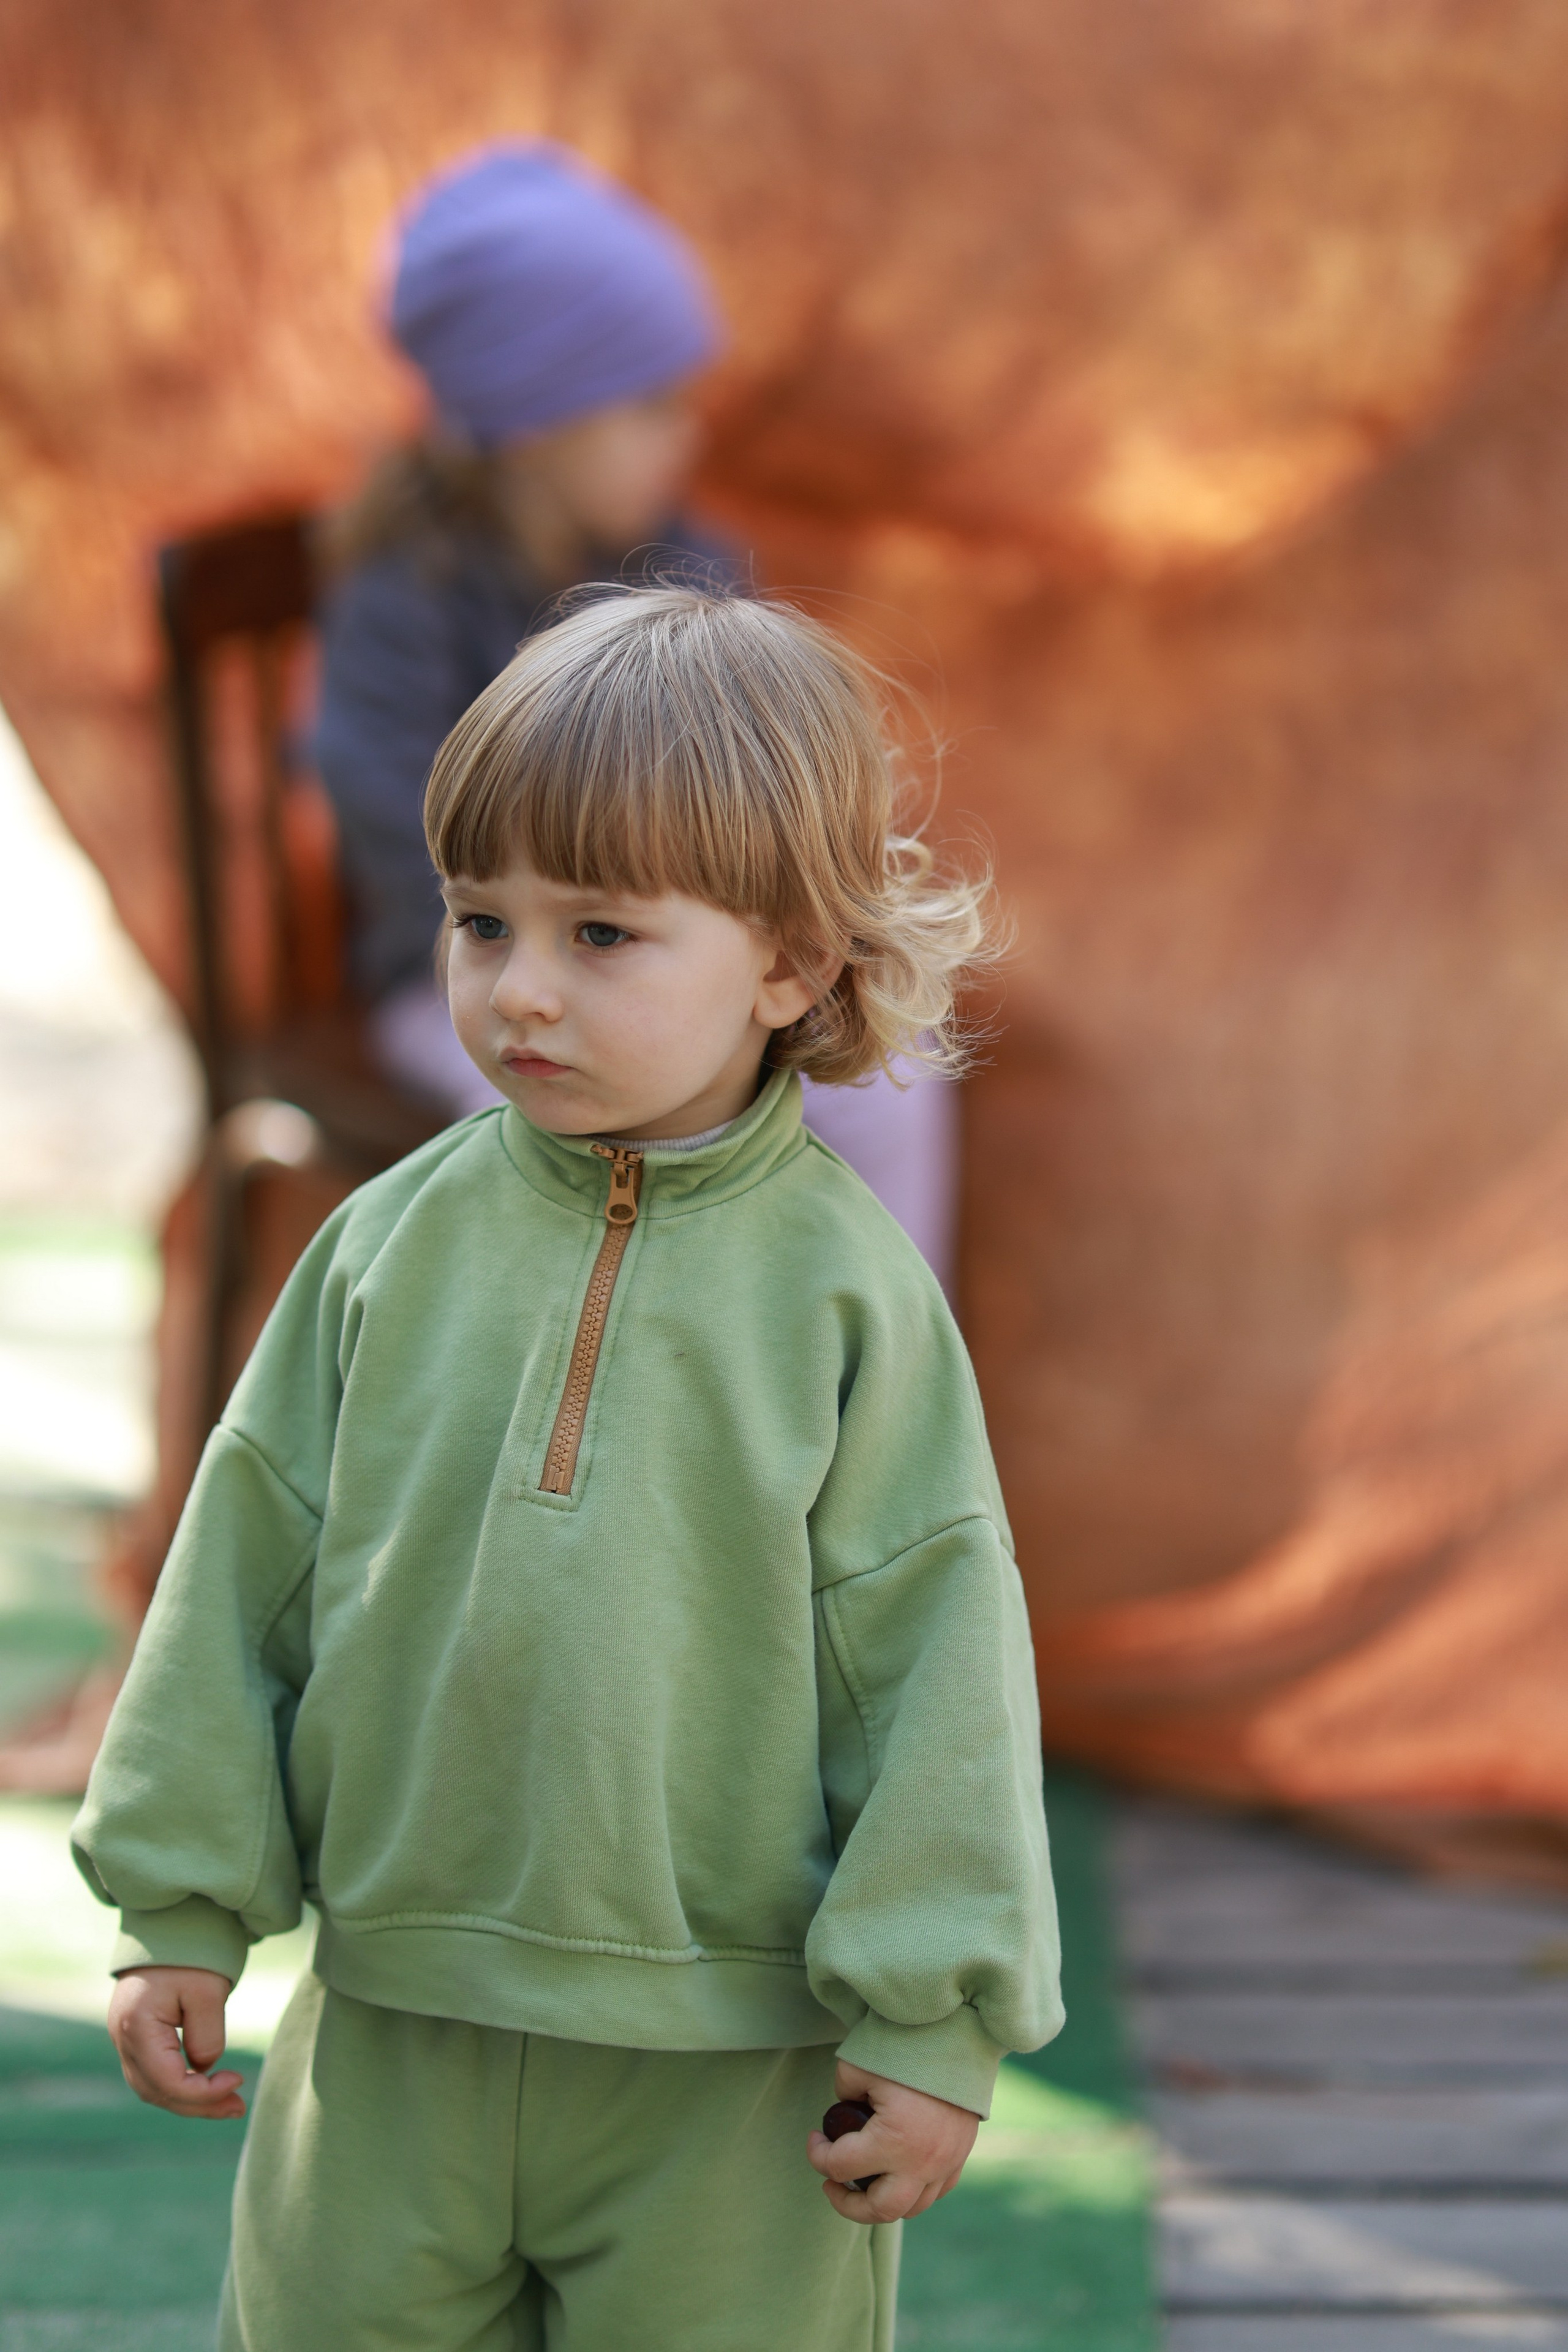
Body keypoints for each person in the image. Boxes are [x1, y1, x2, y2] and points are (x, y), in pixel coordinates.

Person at [74, 588, 1061, 2352]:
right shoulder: (382, 1249)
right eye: (479, 921)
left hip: (730, 2085)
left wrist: (931, 2017)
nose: (518, 987)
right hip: (392, 2034)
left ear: (789, 961)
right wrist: (187, 1905)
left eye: (602, 933)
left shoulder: (849, 1301)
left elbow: (939, 1664)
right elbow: (246, 1570)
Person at [317, 139, 961, 1289]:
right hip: (465, 977)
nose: (688, 432)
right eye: (652, 403)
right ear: (534, 422)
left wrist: (726, 934)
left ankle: (873, 1382)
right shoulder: (403, 601)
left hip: (672, 948)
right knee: (647, 1119)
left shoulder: (678, 558)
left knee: (891, 1076)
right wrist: (593, 941)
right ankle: (645, 1410)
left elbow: (758, 764)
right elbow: (402, 846)